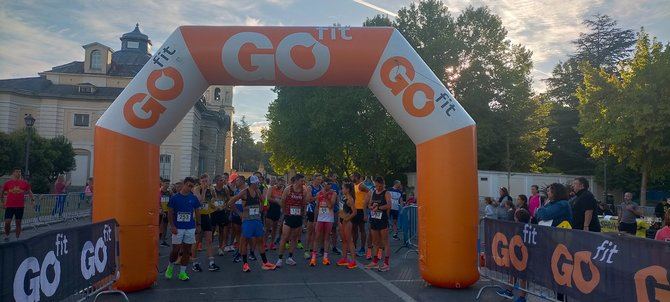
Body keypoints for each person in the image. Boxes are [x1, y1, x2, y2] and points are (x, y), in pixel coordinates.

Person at [230, 175, 277, 272]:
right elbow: (231, 202)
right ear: (252, 183)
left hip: (257, 220)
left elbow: (265, 202)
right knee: (245, 241)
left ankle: (265, 262)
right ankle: (245, 264)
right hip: (247, 221)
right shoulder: (244, 192)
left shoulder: (258, 191)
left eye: (258, 183)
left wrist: (264, 207)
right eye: (256, 183)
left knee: (260, 240)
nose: (258, 184)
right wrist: (239, 213)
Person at [164, 177, 200, 281]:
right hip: (178, 228)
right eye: (188, 185)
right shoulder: (175, 198)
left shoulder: (193, 198)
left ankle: (182, 272)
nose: (190, 188)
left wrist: (198, 224)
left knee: (187, 250)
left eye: (192, 186)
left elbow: (197, 211)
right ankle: (170, 266)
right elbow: (170, 212)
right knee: (176, 250)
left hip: (190, 227)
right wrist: (172, 226)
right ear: (184, 184)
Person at [276, 174, 310, 267]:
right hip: (288, 215)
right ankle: (280, 258)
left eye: (304, 181)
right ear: (297, 180)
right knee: (285, 236)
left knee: (294, 238)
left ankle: (290, 257)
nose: (303, 182)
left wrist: (303, 215)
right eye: (302, 181)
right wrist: (284, 211)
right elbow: (282, 201)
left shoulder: (304, 190)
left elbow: (305, 202)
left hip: (298, 216)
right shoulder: (288, 189)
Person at [192, 174, 220, 272]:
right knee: (197, 241)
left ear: (209, 181)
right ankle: (194, 263)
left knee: (209, 240)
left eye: (206, 181)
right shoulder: (196, 189)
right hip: (198, 217)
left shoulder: (211, 189)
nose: (204, 183)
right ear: (200, 181)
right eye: (203, 181)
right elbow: (200, 202)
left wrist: (215, 205)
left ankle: (211, 263)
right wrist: (203, 190)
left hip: (206, 216)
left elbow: (214, 201)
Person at [365, 177, 392, 272]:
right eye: (375, 185)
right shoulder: (374, 192)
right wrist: (371, 207)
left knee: (385, 242)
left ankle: (386, 263)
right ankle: (375, 261)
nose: (376, 187)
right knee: (375, 241)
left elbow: (389, 205)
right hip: (374, 219)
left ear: (382, 184)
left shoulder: (386, 193)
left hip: (383, 219)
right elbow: (369, 204)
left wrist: (379, 208)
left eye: (377, 185)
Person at [1, 169, 35, 241]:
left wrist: (33, 200)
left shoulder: (24, 183)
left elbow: (30, 192)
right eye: (16, 171)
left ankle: (17, 238)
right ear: (13, 173)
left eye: (19, 171)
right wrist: (3, 202)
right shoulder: (8, 183)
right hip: (9, 206)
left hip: (20, 206)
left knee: (18, 223)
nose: (18, 173)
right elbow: (2, 193)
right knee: (7, 222)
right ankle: (7, 235)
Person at [310, 180, 337, 266]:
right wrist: (315, 220)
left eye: (329, 184)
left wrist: (325, 196)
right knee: (317, 237)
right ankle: (313, 258)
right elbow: (317, 207)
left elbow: (330, 206)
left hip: (329, 218)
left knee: (327, 237)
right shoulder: (318, 193)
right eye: (325, 184)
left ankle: (325, 257)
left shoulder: (334, 194)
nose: (327, 186)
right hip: (320, 218)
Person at [337, 182, 358, 269]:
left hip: (347, 222)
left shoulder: (350, 199)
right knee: (344, 240)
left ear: (347, 189)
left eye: (343, 188)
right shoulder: (343, 197)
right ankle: (344, 258)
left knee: (350, 241)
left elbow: (354, 212)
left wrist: (347, 219)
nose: (342, 190)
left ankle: (353, 261)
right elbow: (341, 209)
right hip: (341, 220)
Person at [211, 174, 233, 255]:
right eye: (220, 180)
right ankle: (210, 246)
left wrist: (225, 206)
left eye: (223, 180)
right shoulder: (212, 189)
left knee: (221, 230)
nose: (223, 181)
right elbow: (209, 200)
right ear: (216, 181)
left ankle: (220, 248)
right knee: (212, 230)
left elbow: (228, 199)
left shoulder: (225, 188)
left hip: (222, 211)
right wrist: (214, 206)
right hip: (214, 212)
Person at [350, 172, 370, 257]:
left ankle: (362, 248)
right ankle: (353, 247)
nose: (351, 178)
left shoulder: (361, 185)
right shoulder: (354, 185)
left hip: (361, 210)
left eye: (352, 176)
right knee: (354, 230)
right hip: (354, 210)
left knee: (362, 229)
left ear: (356, 177)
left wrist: (367, 206)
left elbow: (370, 192)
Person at [305, 174, 323, 259]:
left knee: (316, 232)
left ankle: (313, 250)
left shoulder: (321, 188)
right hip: (311, 211)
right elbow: (309, 199)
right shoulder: (310, 188)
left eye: (320, 179)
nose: (319, 181)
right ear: (314, 179)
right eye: (318, 179)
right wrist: (317, 196)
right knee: (310, 231)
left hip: (319, 211)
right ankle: (306, 250)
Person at [265, 178, 285, 250]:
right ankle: (265, 244)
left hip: (277, 210)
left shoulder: (282, 191)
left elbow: (283, 200)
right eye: (280, 183)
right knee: (268, 228)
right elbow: (268, 198)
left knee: (275, 228)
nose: (281, 185)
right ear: (277, 182)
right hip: (270, 209)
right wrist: (277, 201)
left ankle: (272, 243)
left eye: (282, 184)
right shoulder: (271, 188)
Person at [159, 178, 172, 247]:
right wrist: (160, 209)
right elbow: (157, 202)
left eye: (168, 183)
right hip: (160, 212)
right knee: (159, 227)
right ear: (162, 183)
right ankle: (157, 241)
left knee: (165, 226)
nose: (167, 185)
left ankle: (163, 240)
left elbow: (171, 202)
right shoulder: (159, 192)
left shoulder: (169, 192)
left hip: (166, 211)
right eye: (166, 183)